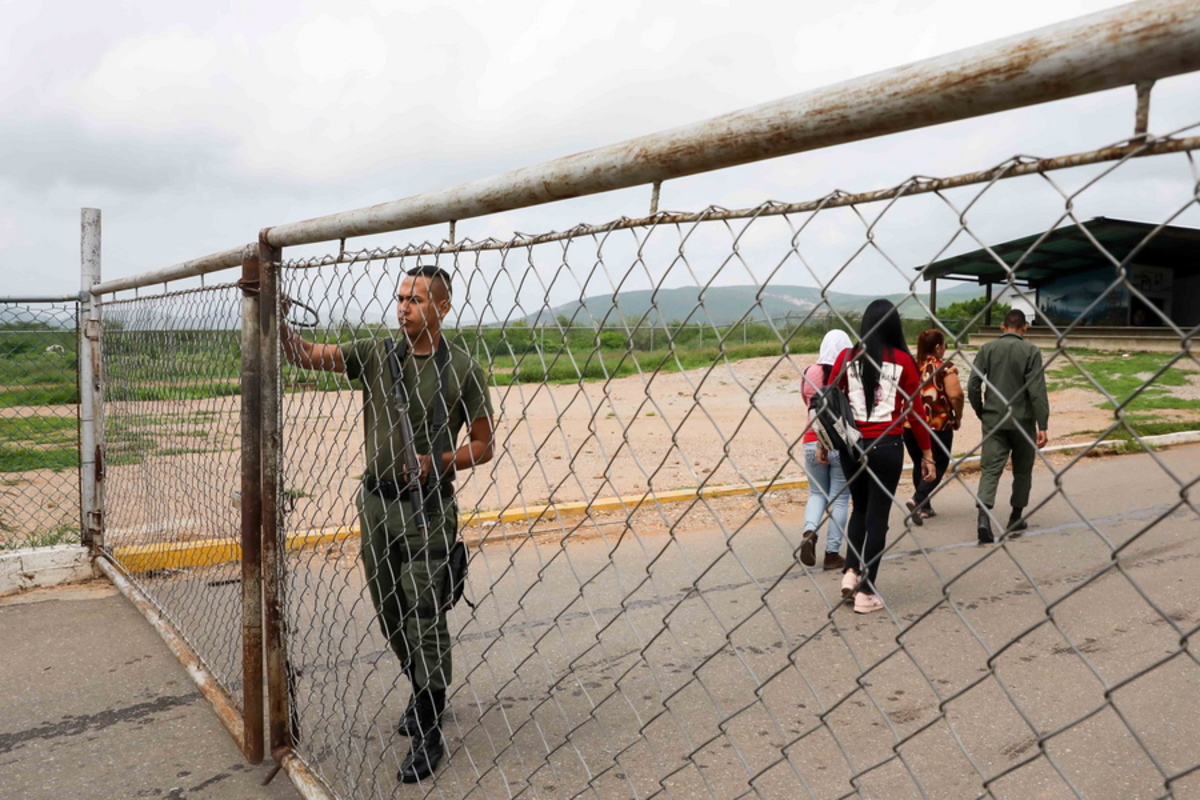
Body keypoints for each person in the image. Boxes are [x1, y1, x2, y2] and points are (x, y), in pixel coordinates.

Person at [281, 265, 495, 783]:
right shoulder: (379, 355)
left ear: (441, 309)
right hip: (375, 506)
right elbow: (307, 356)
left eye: (416, 300)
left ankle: (429, 723)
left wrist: (436, 462)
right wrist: (274, 318)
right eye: (400, 298)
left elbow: (485, 446)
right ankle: (423, 690)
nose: (403, 307)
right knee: (389, 608)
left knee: (423, 612)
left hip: (426, 509)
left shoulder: (462, 369)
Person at [822, 300, 936, 614]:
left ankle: (850, 572)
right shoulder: (903, 361)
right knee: (878, 518)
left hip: (852, 448)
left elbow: (831, 401)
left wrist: (824, 442)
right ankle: (867, 592)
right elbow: (915, 413)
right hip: (887, 446)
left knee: (859, 510)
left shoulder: (847, 357)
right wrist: (927, 454)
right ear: (893, 326)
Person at [967, 308, 1049, 544]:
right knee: (1022, 470)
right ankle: (1015, 516)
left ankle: (984, 518)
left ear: (1002, 326)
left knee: (990, 469)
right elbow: (1036, 390)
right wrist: (1042, 423)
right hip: (1022, 421)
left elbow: (973, 384)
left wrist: (980, 410)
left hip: (994, 419)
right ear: (1025, 327)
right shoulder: (1031, 351)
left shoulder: (987, 349)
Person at [799, 329, 854, 571]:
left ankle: (810, 531)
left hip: (813, 437)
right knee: (840, 498)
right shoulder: (850, 373)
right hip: (841, 440)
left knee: (816, 493)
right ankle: (832, 553)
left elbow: (808, 403)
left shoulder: (810, 372)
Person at [902, 329, 964, 525]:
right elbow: (956, 395)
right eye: (944, 345)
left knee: (920, 462)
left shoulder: (910, 366)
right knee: (939, 462)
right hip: (937, 424)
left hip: (910, 424)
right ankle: (918, 499)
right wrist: (958, 416)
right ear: (938, 347)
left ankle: (924, 507)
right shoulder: (945, 368)